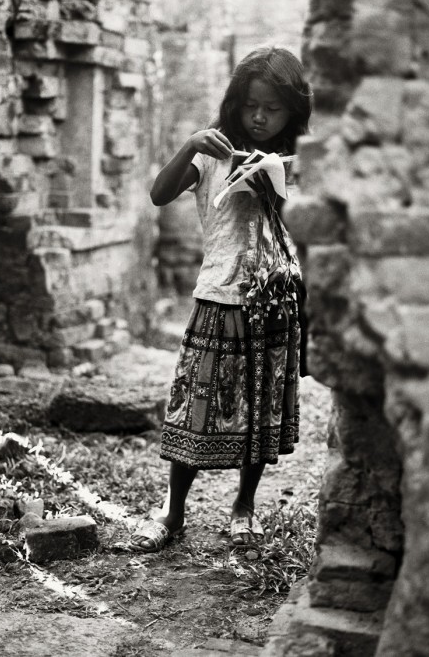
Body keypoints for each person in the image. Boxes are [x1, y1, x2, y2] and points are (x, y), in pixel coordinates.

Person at [129, 45, 312, 552]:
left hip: (274, 299)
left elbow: (309, 229)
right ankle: (173, 511)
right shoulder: (212, 152)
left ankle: (244, 506)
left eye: (273, 108)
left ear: (292, 111)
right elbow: (160, 195)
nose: (260, 117)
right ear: (235, 103)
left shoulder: (300, 162)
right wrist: (191, 144)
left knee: (261, 409)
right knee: (195, 406)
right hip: (219, 296)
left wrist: (276, 185)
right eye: (251, 105)